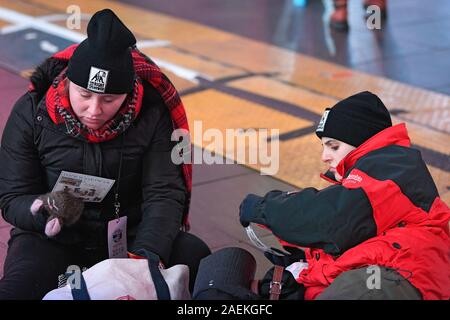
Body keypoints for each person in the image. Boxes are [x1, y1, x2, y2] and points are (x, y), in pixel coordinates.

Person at [0, 9, 210, 299]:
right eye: (84, 95)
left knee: (199, 259)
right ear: (67, 82)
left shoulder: (153, 113)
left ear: (129, 93)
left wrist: (145, 258)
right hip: (54, 239)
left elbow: (164, 193)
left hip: (132, 234)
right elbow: (12, 197)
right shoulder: (31, 112)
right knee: (19, 289)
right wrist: (41, 210)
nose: (94, 110)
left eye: (109, 99)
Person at [239, 91, 450, 300]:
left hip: (401, 274)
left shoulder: (389, 168)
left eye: (334, 146)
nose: (324, 156)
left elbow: (329, 218)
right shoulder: (380, 172)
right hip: (391, 270)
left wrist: (261, 208)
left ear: (363, 142)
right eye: (323, 147)